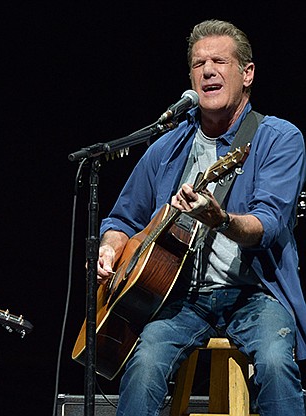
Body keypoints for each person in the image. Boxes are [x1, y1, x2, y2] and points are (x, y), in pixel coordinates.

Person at [96, 19, 306, 415]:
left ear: (247, 74)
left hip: (255, 296)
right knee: (142, 367)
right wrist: (110, 250)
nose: (207, 70)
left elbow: (270, 224)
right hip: (181, 301)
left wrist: (222, 219)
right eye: (199, 64)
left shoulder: (278, 138)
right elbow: (122, 219)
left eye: (219, 61)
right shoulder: (167, 146)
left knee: (277, 363)